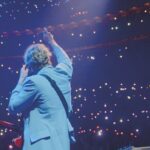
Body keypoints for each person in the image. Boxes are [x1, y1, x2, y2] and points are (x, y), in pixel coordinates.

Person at [9, 29, 74, 150]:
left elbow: (13, 107)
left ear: (30, 66)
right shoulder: (63, 74)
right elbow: (65, 60)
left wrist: (21, 80)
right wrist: (51, 41)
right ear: (48, 58)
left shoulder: (33, 82)